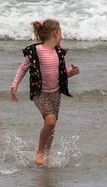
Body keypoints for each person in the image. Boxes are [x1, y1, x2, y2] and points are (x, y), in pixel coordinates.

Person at [11, 19, 80, 167]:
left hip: (55, 93)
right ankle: (40, 153)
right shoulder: (35, 52)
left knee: (51, 125)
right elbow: (22, 68)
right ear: (55, 34)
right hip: (40, 93)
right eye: (61, 32)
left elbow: (60, 73)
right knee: (50, 121)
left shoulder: (59, 53)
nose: (62, 36)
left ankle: (47, 156)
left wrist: (71, 72)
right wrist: (14, 85)